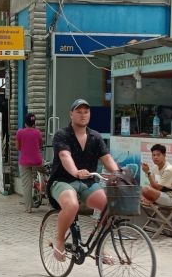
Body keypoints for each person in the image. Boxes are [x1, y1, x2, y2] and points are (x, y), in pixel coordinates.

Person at [49, 99, 120, 261]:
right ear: (71, 114)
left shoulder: (95, 136)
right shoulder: (62, 135)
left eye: (86, 112)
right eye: (79, 111)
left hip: (88, 182)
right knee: (72, 205)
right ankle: (59, 240)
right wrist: (75, 172)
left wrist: (118, 173)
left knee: (110, 206)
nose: (83, 115)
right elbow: (64, 156)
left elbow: (107, 158)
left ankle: (101, 245)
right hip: (62, 180)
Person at [15, 112, 43, 213]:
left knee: (27, 185)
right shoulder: (38, 132)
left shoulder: (20, 132)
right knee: (47, 171)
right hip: (37, 162)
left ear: (25, 123)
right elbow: (40, 145)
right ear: (34, 123)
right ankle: (44, 188)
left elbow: (18, 147)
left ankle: (28, 208)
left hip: (24, 162)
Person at [141, 143, 172, 208]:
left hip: (171, 198)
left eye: (158, 155)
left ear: (164, 155)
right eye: (153, 155)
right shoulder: (155, 167)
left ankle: (149, 201)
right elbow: (153, 185)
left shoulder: (169, 169)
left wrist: (148, 172)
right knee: (140, 191)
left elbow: (157, 187)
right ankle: (149, 200)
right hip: (162, 194)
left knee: (146, 190)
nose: (155, 157)